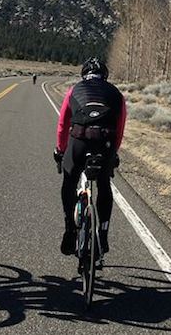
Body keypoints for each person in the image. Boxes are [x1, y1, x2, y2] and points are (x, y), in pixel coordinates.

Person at [54, 57, 126, 256]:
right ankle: (102, 235)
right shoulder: (116, 94)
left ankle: (70, 229)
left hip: (80, 140)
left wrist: (60, 150)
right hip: (106, 141)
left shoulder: (74, 90)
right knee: (103, 184)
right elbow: (119, 129)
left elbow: (62, 125)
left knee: (69, 182)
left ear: (84, 74)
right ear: (105, 75)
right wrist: (113, 153)